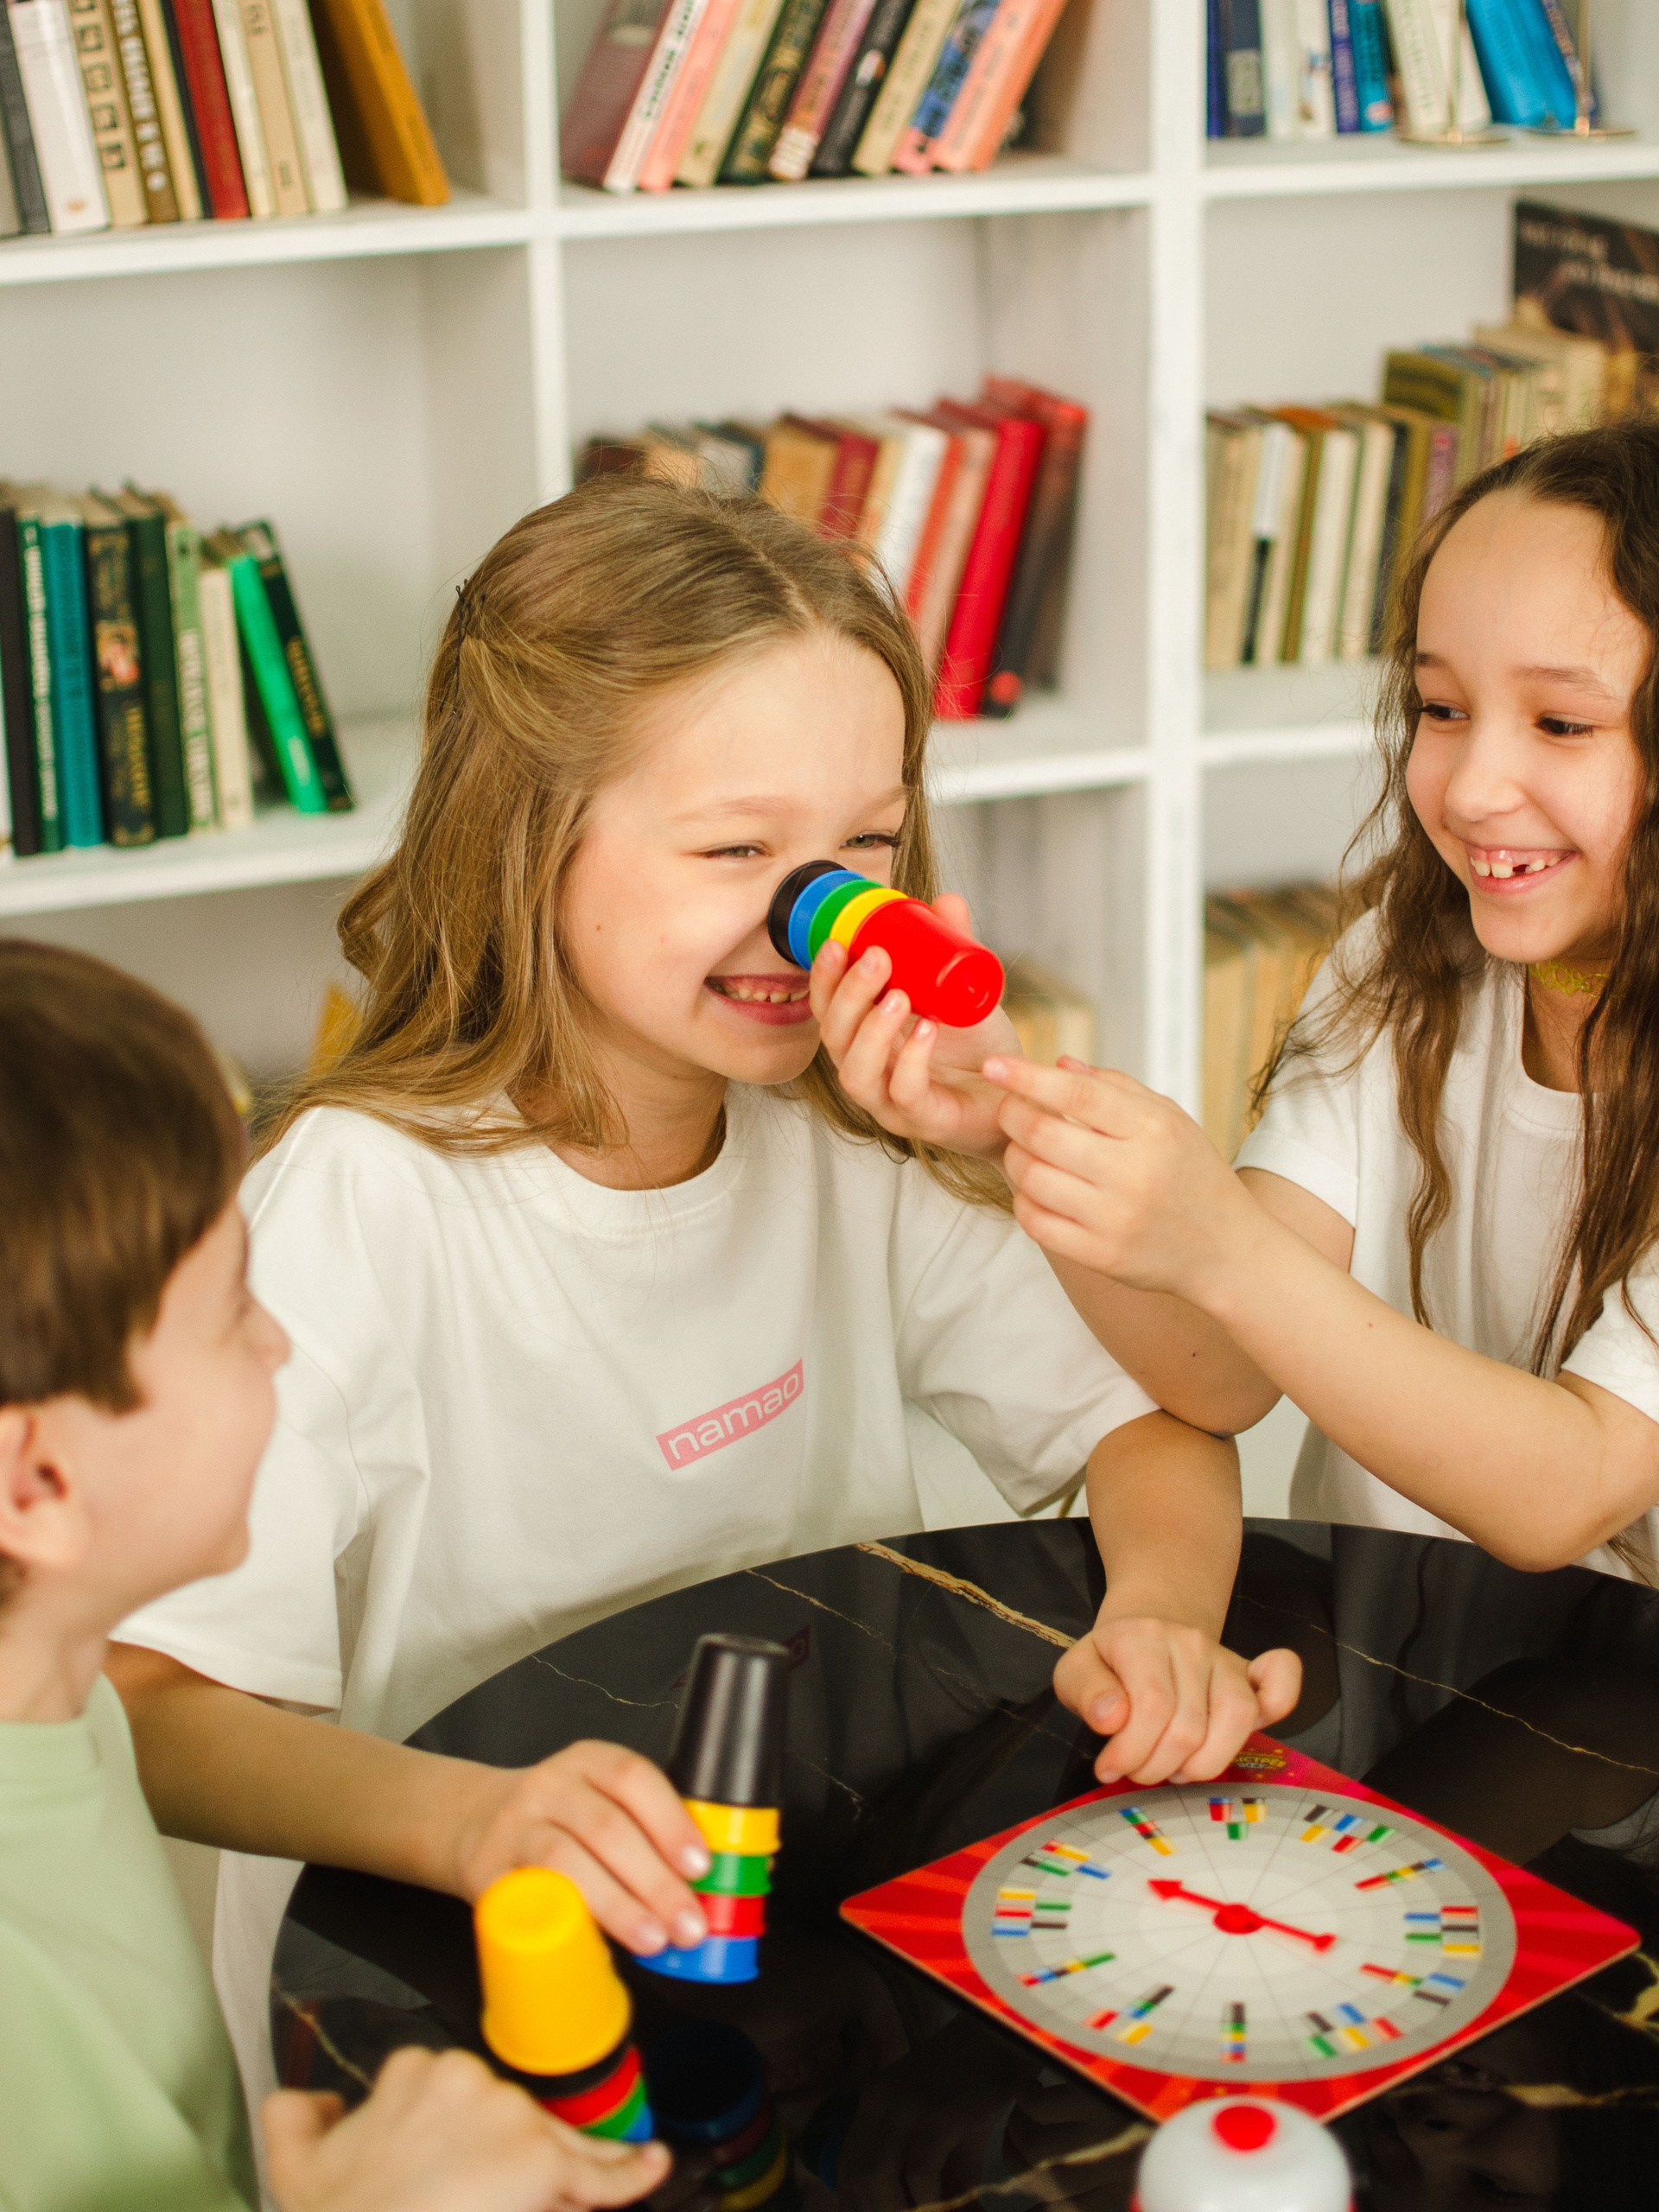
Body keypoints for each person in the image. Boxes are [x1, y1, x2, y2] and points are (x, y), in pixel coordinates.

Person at [106, 478, 1300, 2122]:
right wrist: (473, 1822)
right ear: (527, 839)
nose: (824, 916)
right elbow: (160, 1705)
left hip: (792, 1932)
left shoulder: (849, 1137)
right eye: (738, 848)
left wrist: (1159, 1612)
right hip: (457, 1988)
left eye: (864, 847)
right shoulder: (357, 1206)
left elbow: (1174, 1408)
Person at [0, 939, 672, 2212]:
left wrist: (474, 1821)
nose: (277, 1342)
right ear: (34, 1484)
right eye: (230, 1310)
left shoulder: (50, 1692)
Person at [953, 421, 1659, 1579]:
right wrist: (1006, 1119)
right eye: (1441, 708)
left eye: (1562, 724)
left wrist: (1222, 1244)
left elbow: (1567, 1491)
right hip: (1380, 1647)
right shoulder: (1402, 964)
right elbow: (1222, 1375)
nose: (1474, 789)